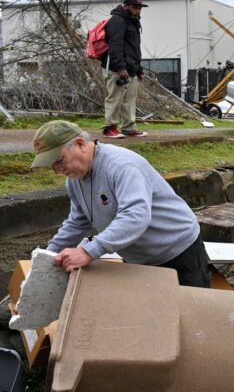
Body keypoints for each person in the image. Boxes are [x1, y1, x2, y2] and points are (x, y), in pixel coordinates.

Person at [31, 120, 210, 287]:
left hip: (178, 252)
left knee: (189, 315)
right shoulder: (75, 179)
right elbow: (78, 222)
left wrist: (88, 251)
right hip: (138, 258)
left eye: (60, 161)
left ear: (80, 144)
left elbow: (136, 216)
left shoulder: (121, 166)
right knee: (149, 315)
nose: (57, 171)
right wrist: (47, 257)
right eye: (53, 165)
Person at [101, 0, 148, 139]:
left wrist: (139, 70)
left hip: (132, 68)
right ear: (126, 6)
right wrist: (120, 67)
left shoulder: (133, 22)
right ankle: (110, 128)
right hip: (117, 68)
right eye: (135, 7)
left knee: (129, 99)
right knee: (115, 98)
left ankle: (128, 128)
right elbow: (115, 46)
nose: (138, 10)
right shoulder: (117, 21)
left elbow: (134, 49)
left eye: (140, 7)